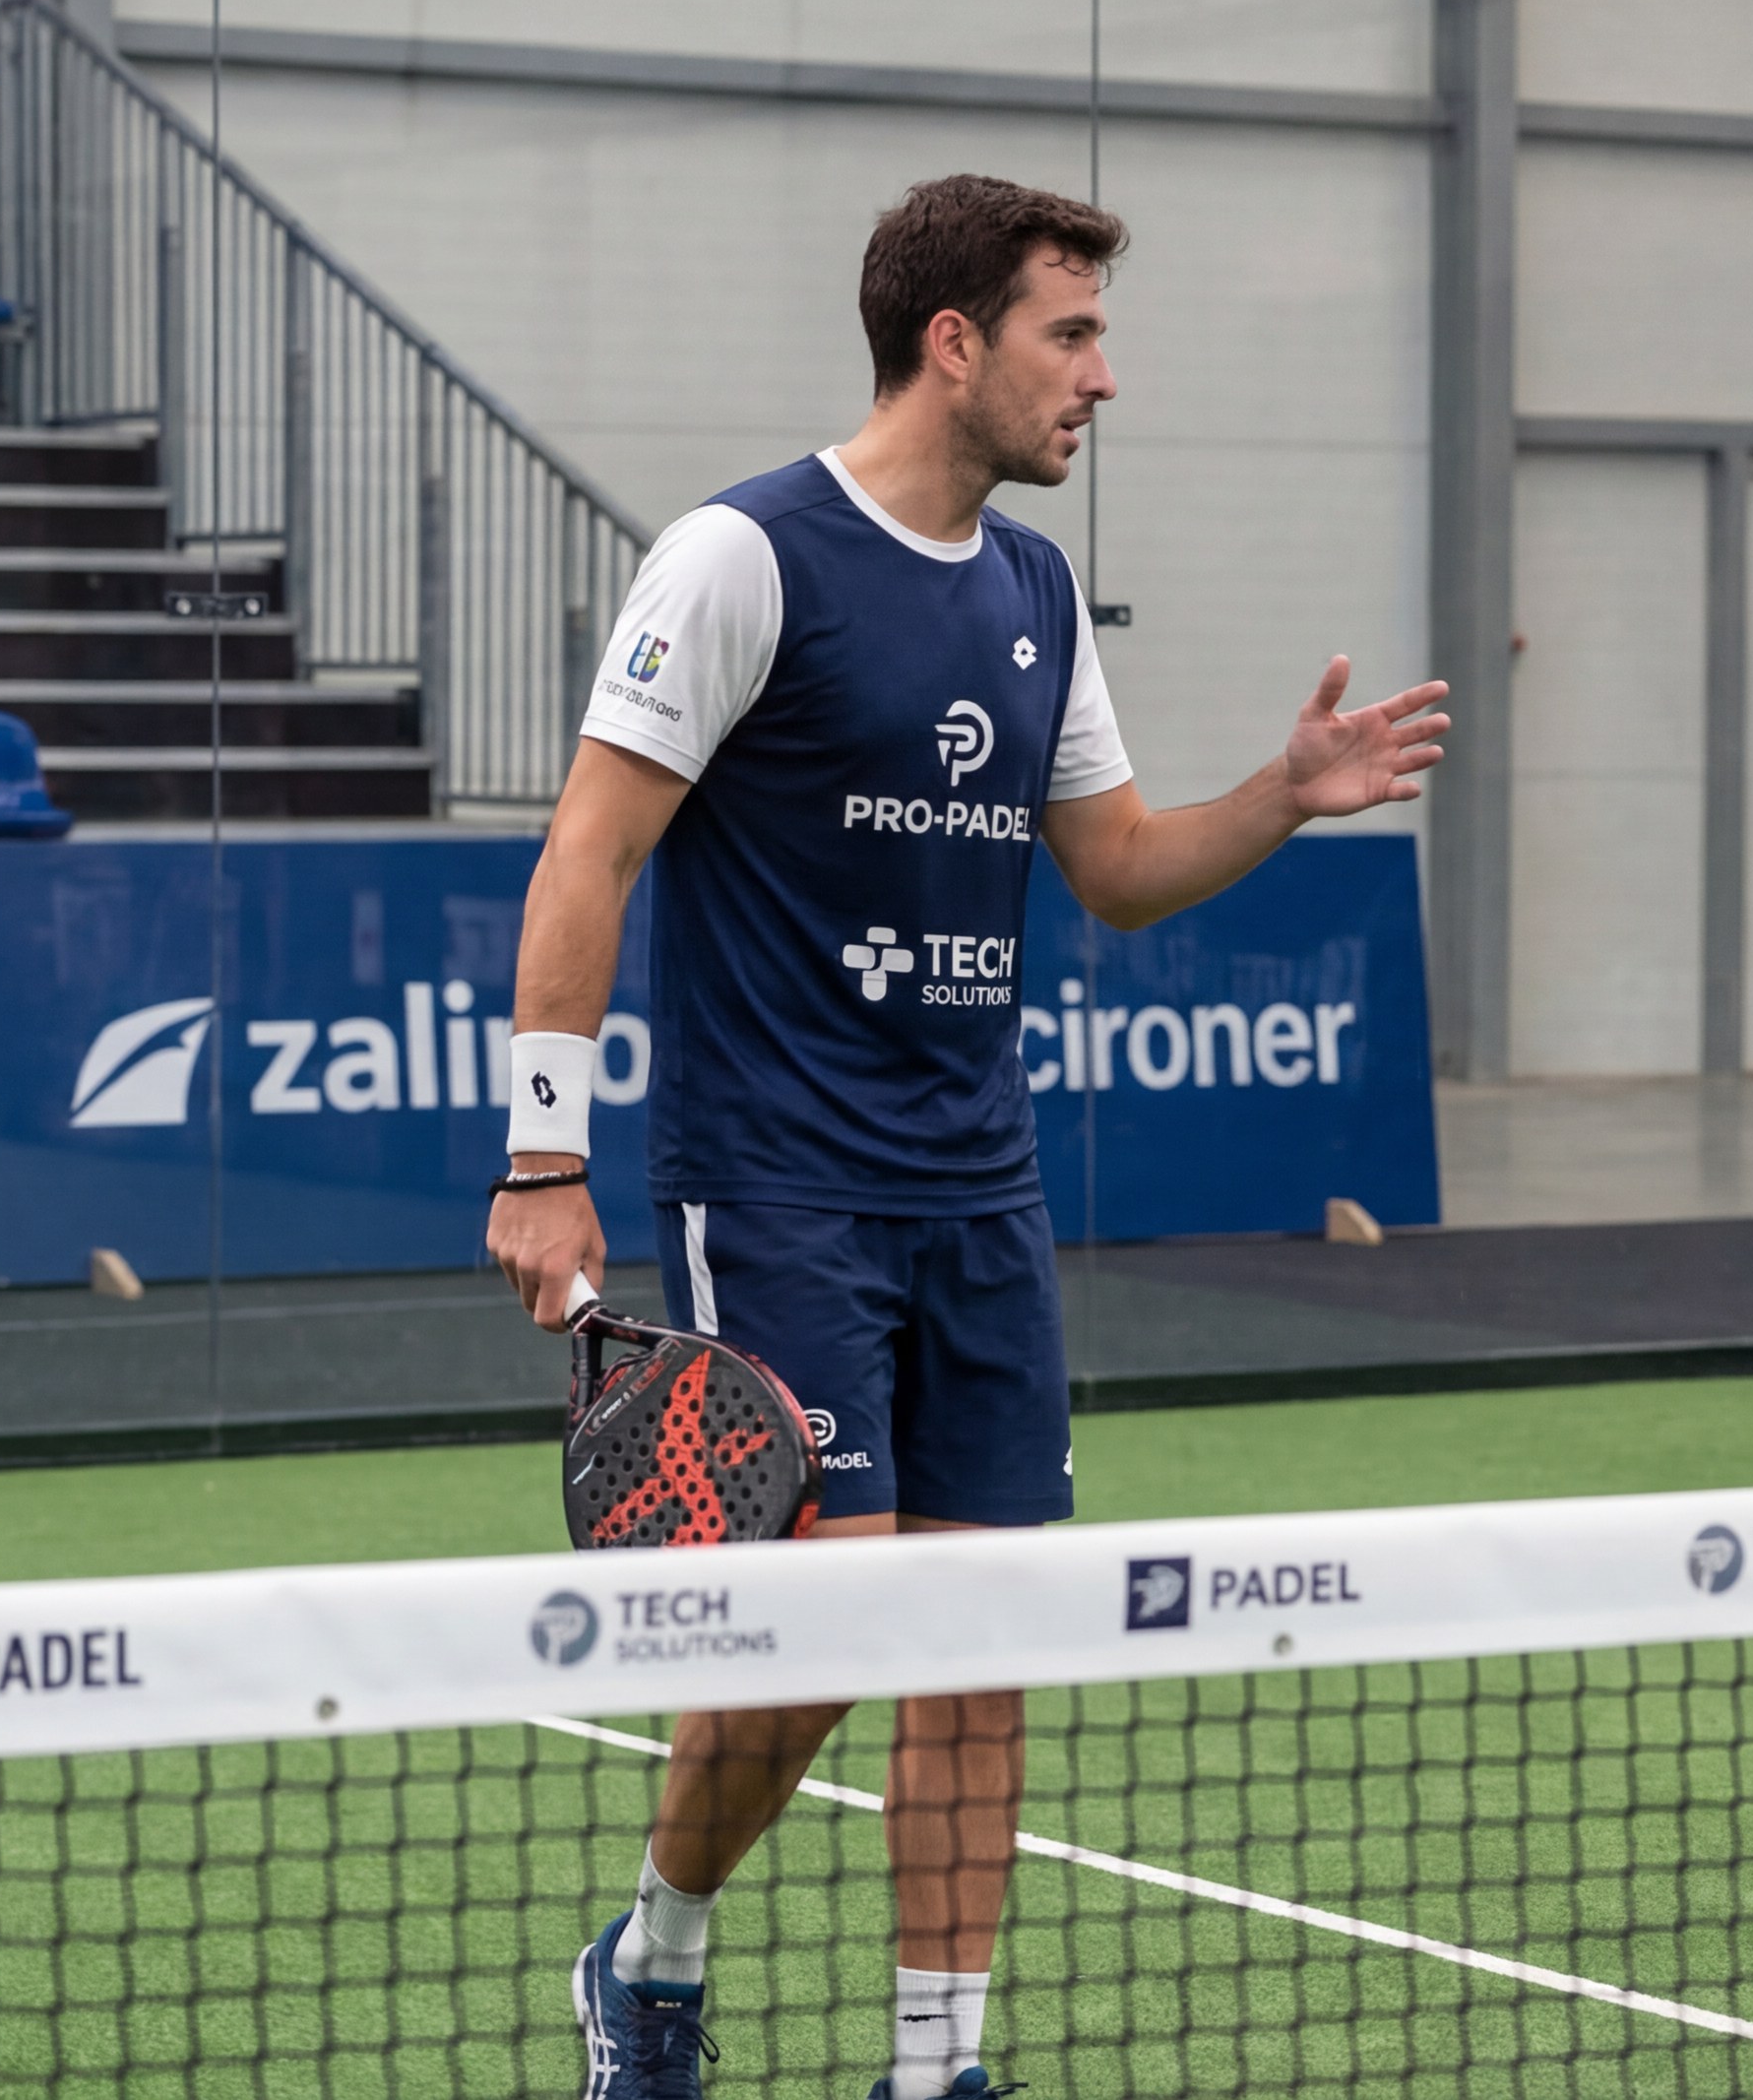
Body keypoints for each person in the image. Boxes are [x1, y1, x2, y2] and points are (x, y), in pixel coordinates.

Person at [484, 174, 1449, 2100]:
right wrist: (539, 1156)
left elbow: (1114, 870)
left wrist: (1282, 792)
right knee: (827, 1619)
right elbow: (591, 845)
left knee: (982, 1635)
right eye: (1067, 335)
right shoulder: (740, 559)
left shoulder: (1032, 596)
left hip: (976, 1185)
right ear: (955, 345)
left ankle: (936, 2068)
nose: (1105, 376)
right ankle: (654, 1956)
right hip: (778, 1180)